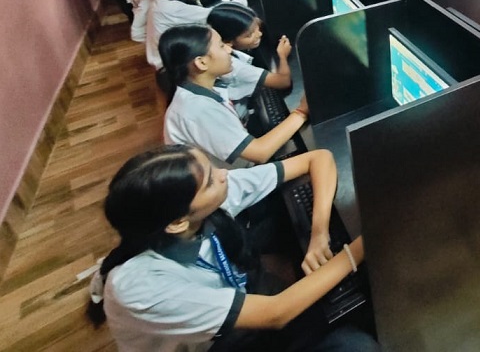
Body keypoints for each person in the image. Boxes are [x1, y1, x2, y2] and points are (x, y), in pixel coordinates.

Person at [88, 144, 378, 351]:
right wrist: (363, 245)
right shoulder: (138, 287)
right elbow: (276, 313)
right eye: (209, 182)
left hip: (237, 305)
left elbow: (319, 158)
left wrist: (319, 232)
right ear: (177, 222)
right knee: (357, 345)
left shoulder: (202, 205)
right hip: (210, 343)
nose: (223, 175)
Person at [160, 25, 307, 166]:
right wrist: (301, 112)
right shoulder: (197, 110)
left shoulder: (199, 90)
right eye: (221, 46)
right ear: (202, 62)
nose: (229, 50)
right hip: (228, 177)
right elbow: (260, 153)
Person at [145, 0, 227, 69]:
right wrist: (244, 0)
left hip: (176, 55)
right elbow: (216, 14)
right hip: (174, 66)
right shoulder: (170, 8)